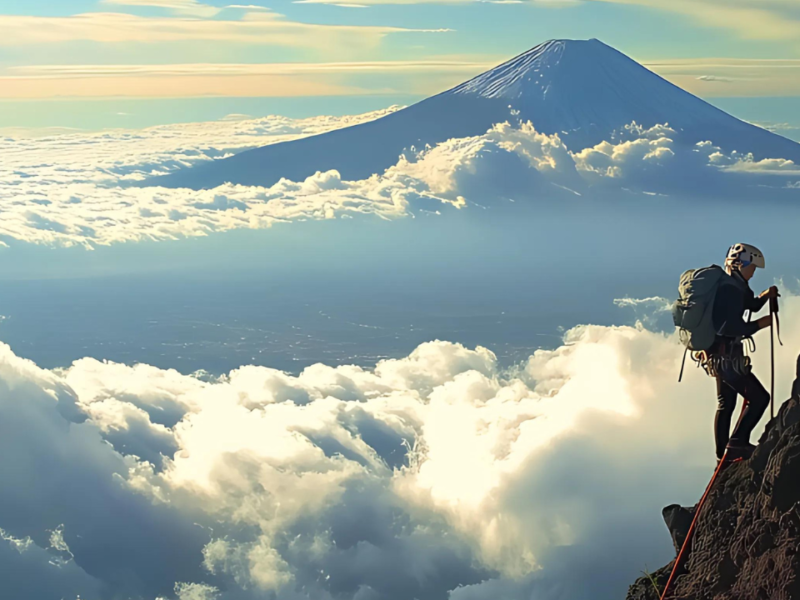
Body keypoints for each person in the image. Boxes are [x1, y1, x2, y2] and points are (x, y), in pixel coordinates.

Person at [706, 243, 778, 461]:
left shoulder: (736, 286)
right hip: (727, 358)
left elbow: (751, 305)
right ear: (739, 264)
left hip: (718, 356)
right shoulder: (731, 290)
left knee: (726, 404)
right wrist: (760, 325)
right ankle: (736, 443)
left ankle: (722, 455)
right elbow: (729, 327)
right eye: (752, 267)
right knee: (760, 398)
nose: (753, 272)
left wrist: (766, 295)